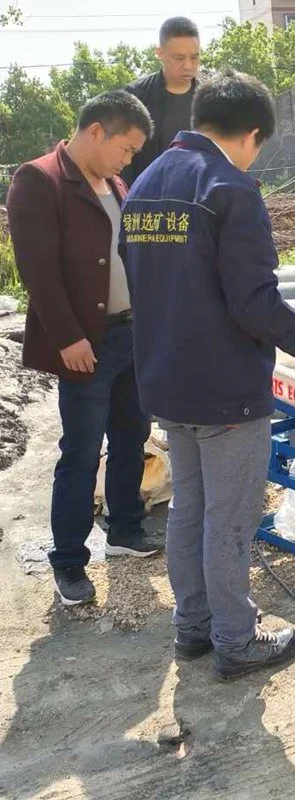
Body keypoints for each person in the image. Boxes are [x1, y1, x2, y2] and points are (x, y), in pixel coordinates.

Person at [120, 70, 295, 681]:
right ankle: (236, 641)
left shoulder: (144, 183)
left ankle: (193, 628)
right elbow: (253, 302)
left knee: (190, 512)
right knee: (227, 521)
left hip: (166, 380)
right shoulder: (229, 187)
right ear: (252, 134)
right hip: (224, 389)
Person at [6, 91, 162, 607]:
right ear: (97, 130)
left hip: (129, 333)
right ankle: (70, 560)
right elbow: (38, 272)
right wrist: (68, 336)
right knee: (79, 451)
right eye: (126, 148)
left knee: (130, 435)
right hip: (85, 343)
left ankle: (123, 530)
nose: (129, 160)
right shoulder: (40, 179)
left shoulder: (114, 183)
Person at [122, 16, 200, 186]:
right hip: (146, 201)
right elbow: (122, 159)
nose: (188, 65)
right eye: (179, 58)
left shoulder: (209, 100)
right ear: (160, 53)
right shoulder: (136, 97)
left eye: (194, 57)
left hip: (197, 202)